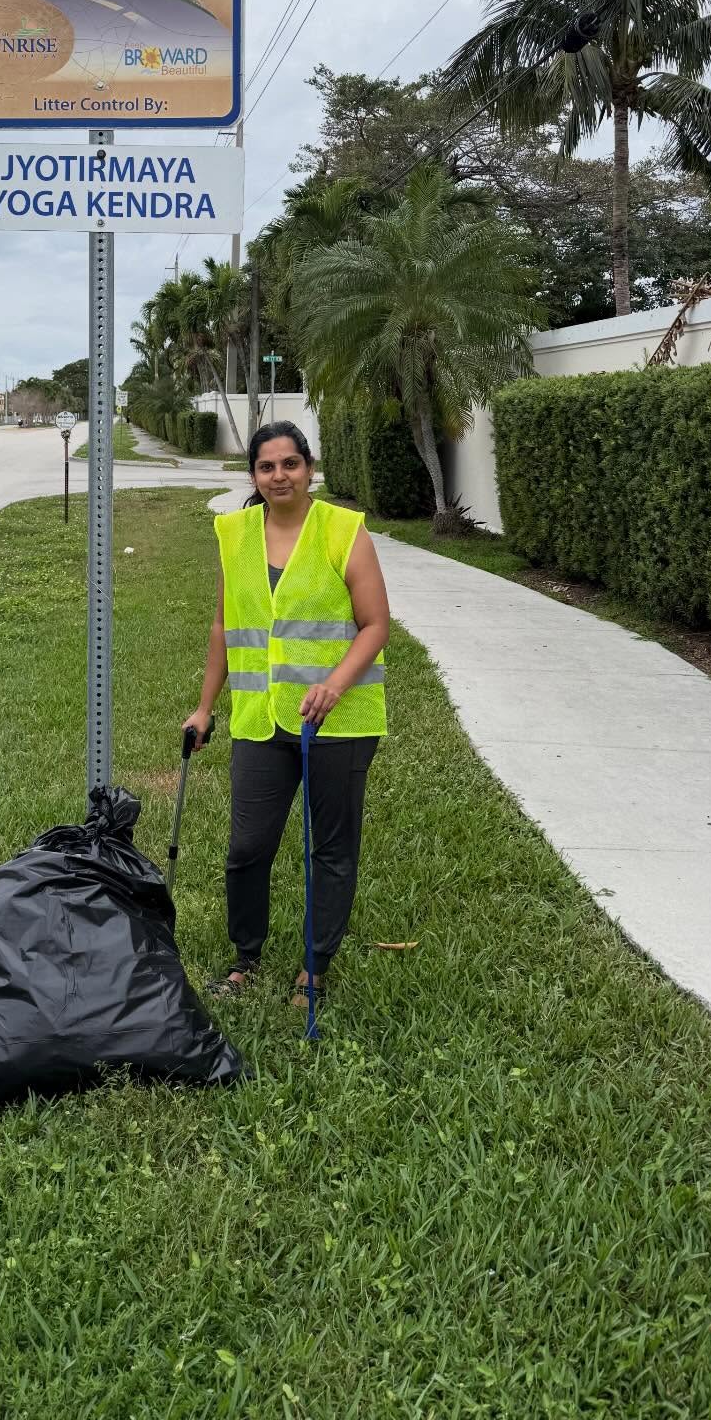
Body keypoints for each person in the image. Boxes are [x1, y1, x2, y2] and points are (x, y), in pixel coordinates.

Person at [183, 421, 391, 1008]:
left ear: (310, 467)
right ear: (253, 474)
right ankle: (246, 956)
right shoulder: (234, 535)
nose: (280, 476)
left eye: (291, 464)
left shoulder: (343, 530)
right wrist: (204, 708)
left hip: (340, 721)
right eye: (267, 466)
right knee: (248, 846)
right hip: (259, 720)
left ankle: (314, 967)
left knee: (330, 847)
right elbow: (225, 626)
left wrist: (334, 685)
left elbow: (376, 624)